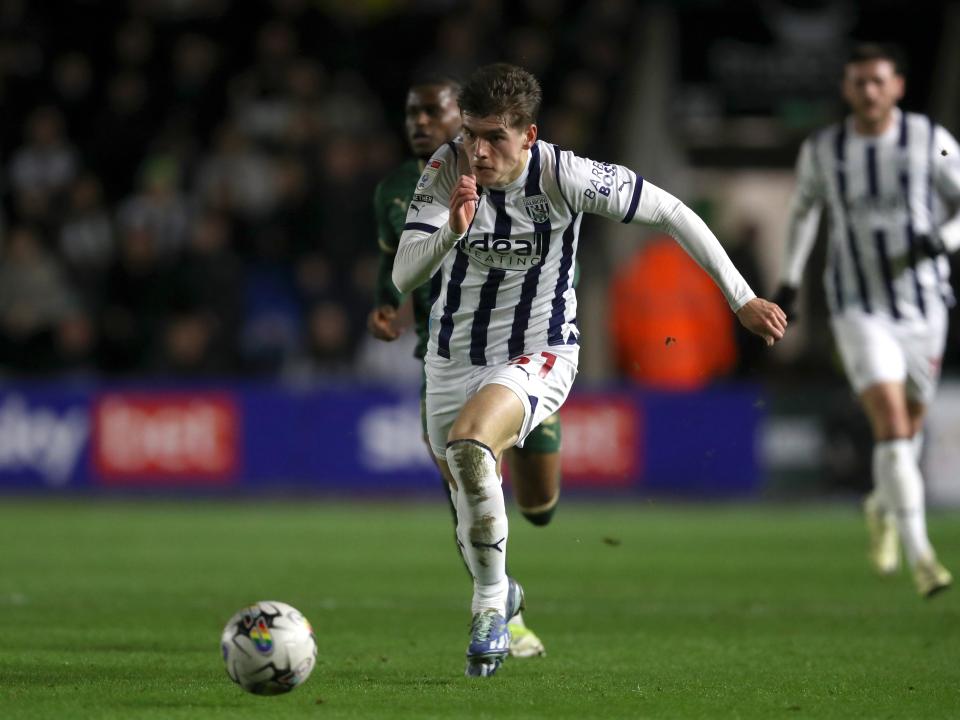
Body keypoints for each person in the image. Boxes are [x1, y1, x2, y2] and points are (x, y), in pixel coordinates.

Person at [393, 63, 786, 677]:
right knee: (470, 496)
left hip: (540, 349)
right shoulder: (448, 169)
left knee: (474, 450)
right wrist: (451, 231)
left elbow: (674, 212)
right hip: (450, 358)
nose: (479, 149)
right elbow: (402, 274)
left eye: (495, 136)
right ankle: (503, 587)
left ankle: (490, 606)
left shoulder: (565, 174)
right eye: (471, 133)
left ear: (529, 134)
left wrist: (741, 298)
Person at [367, 75, 564, 660]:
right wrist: (387, 303)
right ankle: (505, 607)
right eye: (411, 112)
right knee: (466, 488)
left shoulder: (516, 174)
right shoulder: (399, 189)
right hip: (445, 350)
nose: (419, 123)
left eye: (432, 112)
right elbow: (395, 264)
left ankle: (530, 419)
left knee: (540, 507)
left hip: (520, 346)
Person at [773, 43, 960, 598]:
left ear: (898, 86)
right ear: (846, 89)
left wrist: (944, 241)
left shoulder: (930, 141)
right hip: (856, 306)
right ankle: (923, 557)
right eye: (859, 82)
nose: (869, 91)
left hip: (924, 306)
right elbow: (804, 210)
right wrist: (788, 280)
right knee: (894, 425)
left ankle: (882, 503)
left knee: (908, 430)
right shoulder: (825, 149)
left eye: (879, 81)